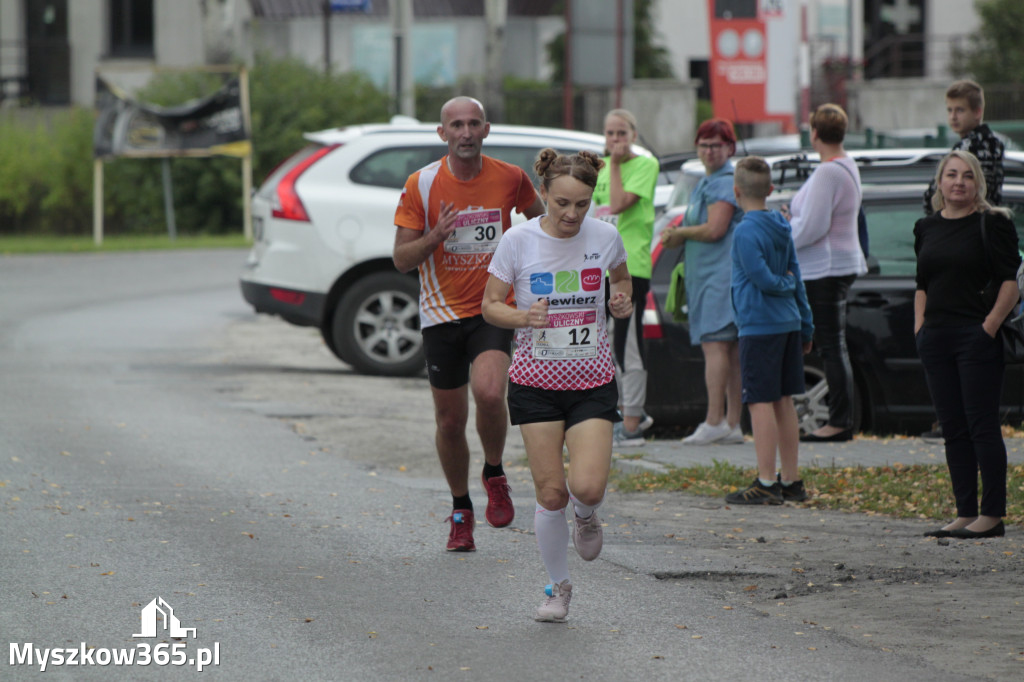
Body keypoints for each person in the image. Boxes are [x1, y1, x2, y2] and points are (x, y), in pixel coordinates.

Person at [481, 148, 633, 623]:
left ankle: (587, 515)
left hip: (591, 380)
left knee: (586, 487)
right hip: (535, 382)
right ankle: (557, 587)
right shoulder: (517, 241)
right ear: (543, 192)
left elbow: (621, 281)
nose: (571, 214)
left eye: (582, 204)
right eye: (562, 202)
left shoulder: (606, 236)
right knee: (551, 495)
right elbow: (489, 306)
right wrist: (522, 315)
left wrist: (622, 300)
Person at [392, 96, 545, 552]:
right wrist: (435, 236)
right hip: (440, 314)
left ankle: (494, 471)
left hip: (491, 308)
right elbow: (401, 259)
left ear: (486, 129)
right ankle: (461, 509)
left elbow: (541, 223)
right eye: (455, 125)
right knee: (450, 420)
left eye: (473, 123)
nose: (465, 132)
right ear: (442, 134)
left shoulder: (510, 177)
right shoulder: (421, 185)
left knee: (491, 392)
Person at [915, 150, 1020, 539]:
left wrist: (988, 327)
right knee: (953, 428)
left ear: (978, 183)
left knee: (982, 426)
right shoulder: (926, 226)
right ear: (940, 182)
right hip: (936, 338)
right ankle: (964, 512)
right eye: (951, 174)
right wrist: (920, 330)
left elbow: (1011, 282)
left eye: (967, 176)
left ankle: (992, 515)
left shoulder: (992, 224)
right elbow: (922, 284)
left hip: (976, 337)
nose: (958, 181)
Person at [724, 157, 815, 505]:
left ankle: (766, 481)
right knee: (784, 401)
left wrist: (781, 284)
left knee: (759, 401)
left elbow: (762, 277)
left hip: (759, 326)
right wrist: (806, 324)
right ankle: (791, 480)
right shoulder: (781, 224)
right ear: (771, 189)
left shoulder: (745, 230)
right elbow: (797, 277)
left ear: (736, 191)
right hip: (789, 323)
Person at [920, 79, 1005, 443]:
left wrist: (988, 326)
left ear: (977, 111)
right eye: (950, 110)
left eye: (960, 110)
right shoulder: (990, 144)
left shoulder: (973, 148)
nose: (953, 117)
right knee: (966, 426)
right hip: (966, 248)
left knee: (976, 422)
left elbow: (959, 193)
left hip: (972, 244)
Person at [780, 103, 867, 443]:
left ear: (814, 134)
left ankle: (840, 421)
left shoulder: (828, 172)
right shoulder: (846, 165)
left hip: (826, 268)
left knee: (831, 346)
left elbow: (813, 227)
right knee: (833, 346)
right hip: (835, 264)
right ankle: (841, 418)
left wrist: (787, 227)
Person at [660, 118, 744, 446]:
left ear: (730, 148)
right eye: (704, 144)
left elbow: (715, 228)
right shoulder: (707, 180)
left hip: (719, 278)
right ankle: (732, 424)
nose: (709, 151)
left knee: (716, 346)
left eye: (716, 145)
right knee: (730, 351)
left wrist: (679, 233)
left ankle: (714, 420)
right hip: (711, 277)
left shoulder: (723, 181)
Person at [592, 109, 659, 447]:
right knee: (601, 341)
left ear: (633, 134)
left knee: (627, 343)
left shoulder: (644, 165)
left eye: (621, 133)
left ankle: (633, 421)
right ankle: (616, 411)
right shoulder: (598, 167)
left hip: (631, 268)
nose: (615, 141)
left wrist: (616, 164)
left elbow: (617, 204)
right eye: (609, 134)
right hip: (599, 268)